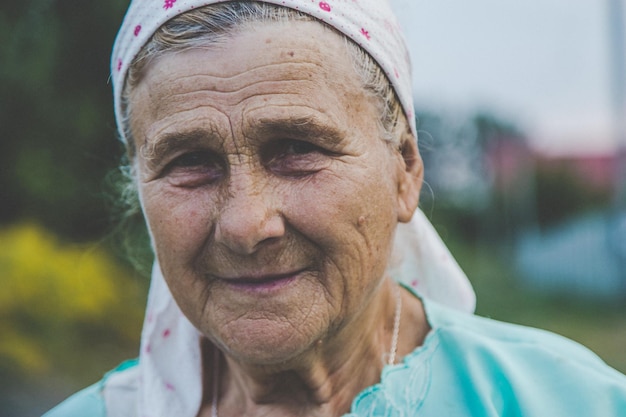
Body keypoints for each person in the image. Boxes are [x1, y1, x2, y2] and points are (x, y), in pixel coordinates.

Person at [45, 1, 626, 416]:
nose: (247, 224)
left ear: (404, 170)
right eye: (190, 162)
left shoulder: (571, 402)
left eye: (297, 149)